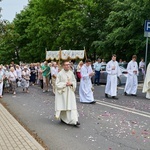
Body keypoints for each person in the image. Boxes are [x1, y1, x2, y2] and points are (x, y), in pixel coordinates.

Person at [55, 61, 80, 126]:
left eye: (68, 65)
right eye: (66, 65)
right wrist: (65, 84)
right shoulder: (60, 74)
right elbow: (57, 84)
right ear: (63, 66)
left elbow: (74, 81)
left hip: (70, 92)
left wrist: (71, 83)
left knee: (71, 106)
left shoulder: (71, 73)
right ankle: (63, 118)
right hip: (63, 92)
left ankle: (74, 120)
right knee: (64, 106)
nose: (67, 66)